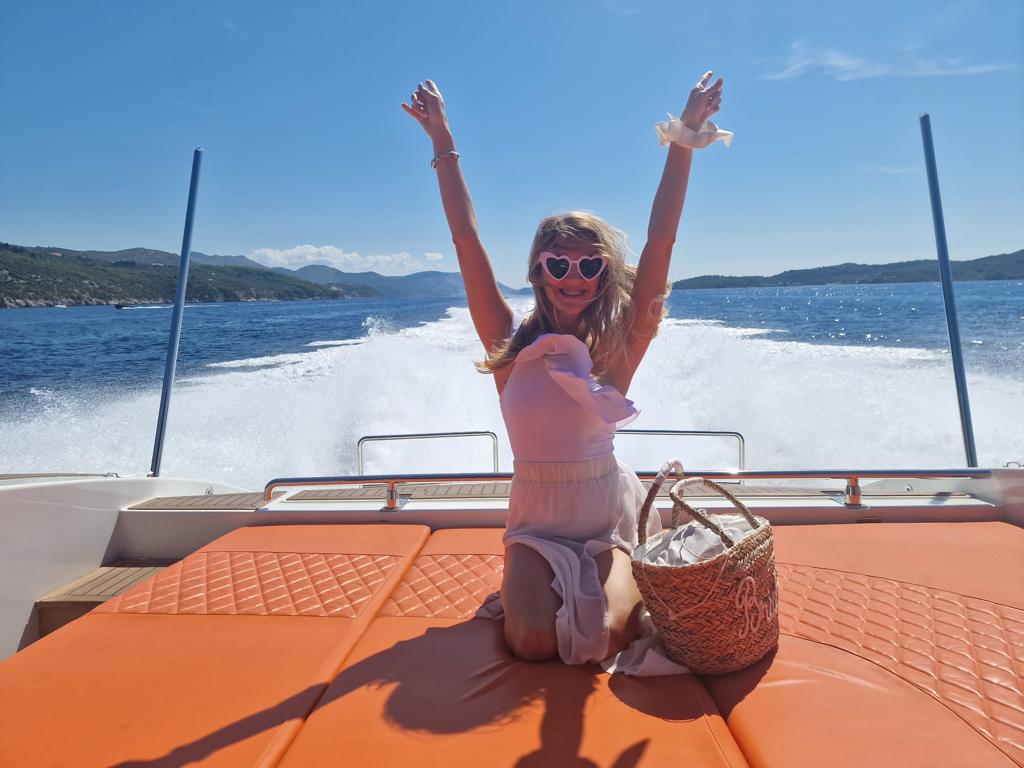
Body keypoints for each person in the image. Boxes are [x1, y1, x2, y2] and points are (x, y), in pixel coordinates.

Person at [402, 73, 727, 666]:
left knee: (604, 634)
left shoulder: (622, 344)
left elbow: (661, 241)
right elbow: (465, 239)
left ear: (604, 273)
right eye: (558, 263)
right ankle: (535, 582)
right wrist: (441, 141)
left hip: (603, 515)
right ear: (538, 269)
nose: (573, 277)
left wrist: (684, 139)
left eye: (589, 265)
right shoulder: (506, 343)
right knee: (529, 641)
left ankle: (627, 558)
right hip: (534, 520)